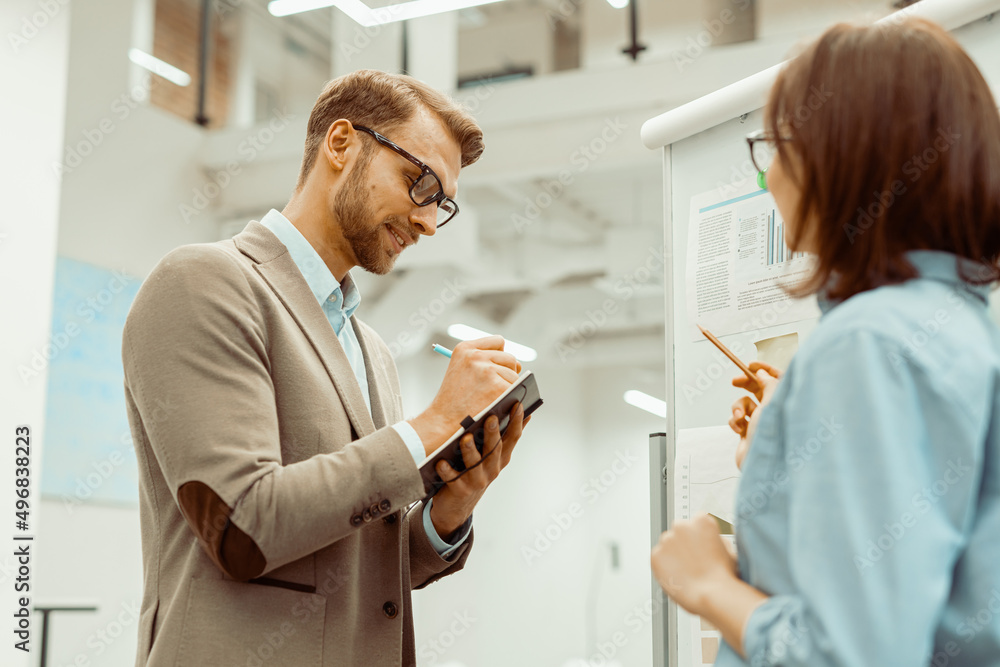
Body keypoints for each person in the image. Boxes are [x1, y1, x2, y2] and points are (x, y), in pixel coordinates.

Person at [122, 69, 530, 666]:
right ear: (341, 144)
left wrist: (448, 511)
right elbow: (242, 529)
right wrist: (433, 424)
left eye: (441, 204)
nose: (425, 220)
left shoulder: (373, 352)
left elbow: (357, 570)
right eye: (418, 182)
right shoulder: (204, 284)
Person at [651, 17, 1000, 666]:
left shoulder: (865, 343)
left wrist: (708, 585)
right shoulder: (958, 331)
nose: (769, 177)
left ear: (841, 155)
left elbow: (854, 654)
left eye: (777, 144)